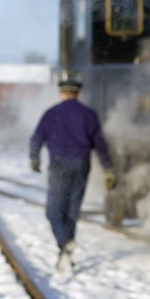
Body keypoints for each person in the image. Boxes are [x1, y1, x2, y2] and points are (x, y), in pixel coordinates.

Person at [30, 78, 116, 270]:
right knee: (71, 211)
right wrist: (108, 169)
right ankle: (66, 255)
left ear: (62, 94)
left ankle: (64, 242)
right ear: (79, 94)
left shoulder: (51, 114)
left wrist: (34, 159)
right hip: (81, 164)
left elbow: (37, 138)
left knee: (53, 211)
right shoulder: (89, 114)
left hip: (59, 164)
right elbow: (100, 145)